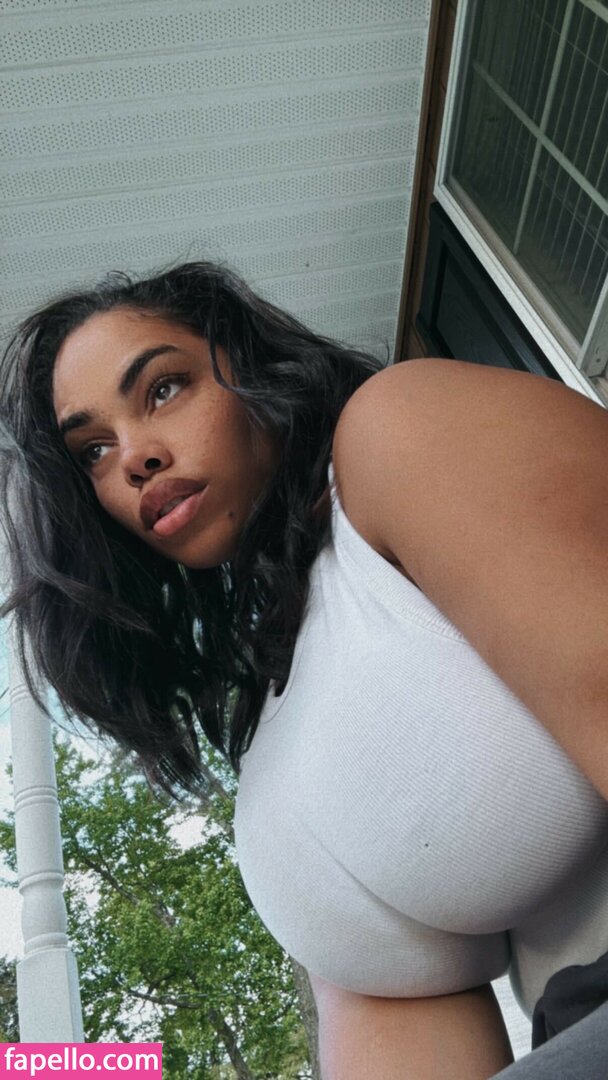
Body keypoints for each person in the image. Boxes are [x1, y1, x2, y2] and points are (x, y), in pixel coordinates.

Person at [1, 262, 607, 1079]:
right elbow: (405, 1019)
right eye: (95, 451)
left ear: (248, 366)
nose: (134, 457)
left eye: (164, 389)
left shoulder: (399, 430)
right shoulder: (272, 731)